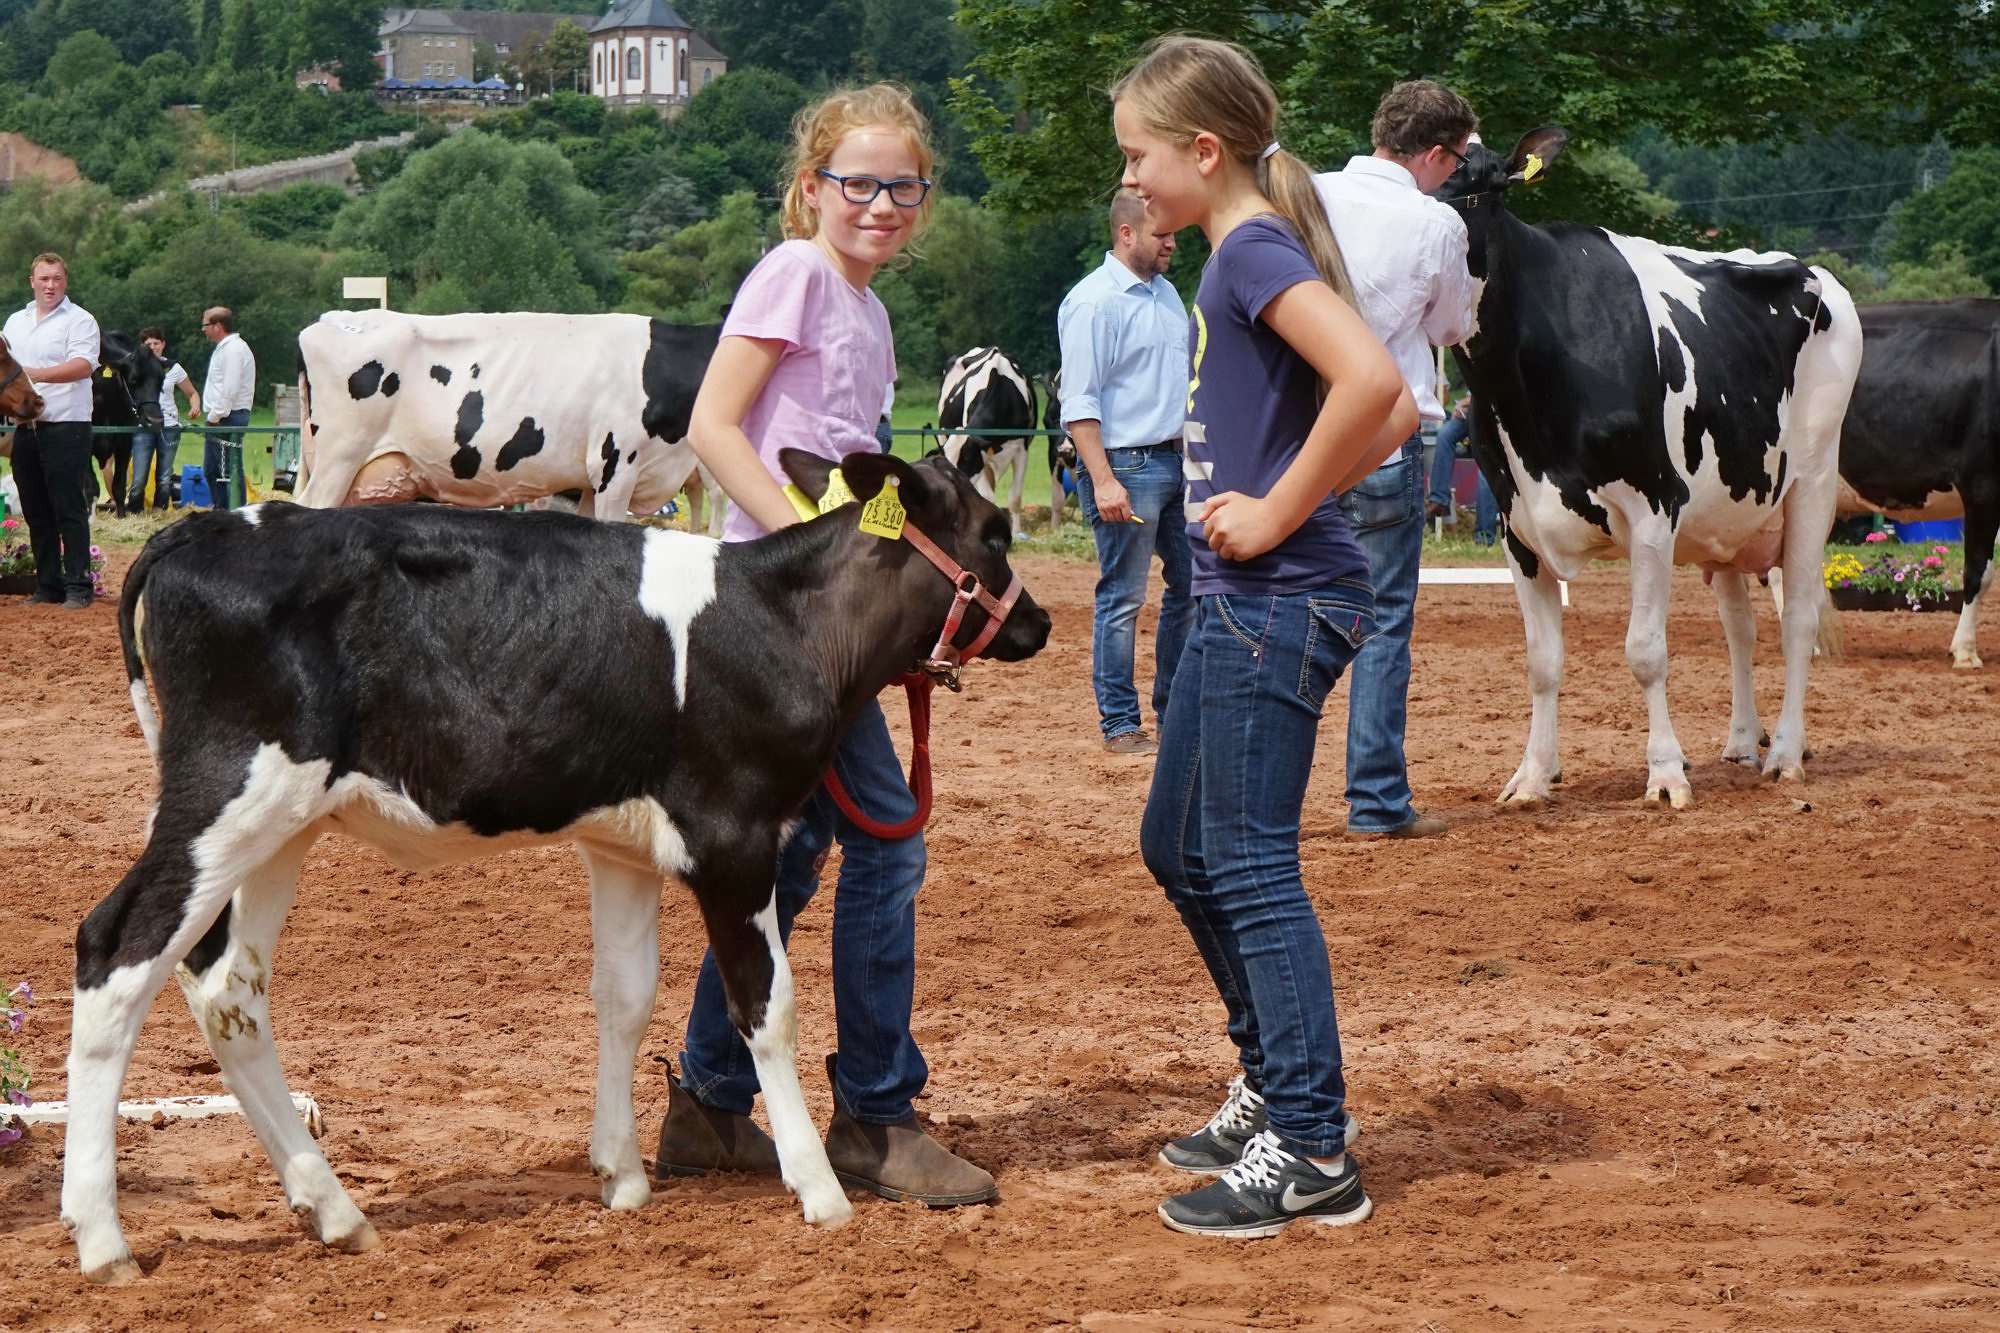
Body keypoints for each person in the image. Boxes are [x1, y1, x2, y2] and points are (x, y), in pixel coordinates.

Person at [661, 82, 997, 1207]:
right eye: (857, 183)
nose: (882, 204)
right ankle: (874, 1115)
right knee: (886, 847)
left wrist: (897, 588)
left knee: (797, 856)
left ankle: (708, 1103)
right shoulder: (796, 272)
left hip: (829, 615)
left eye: (903, 186)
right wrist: (816, 551)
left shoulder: (869, 308)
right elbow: (714, 424)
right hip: (779, 613)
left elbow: (858, 478)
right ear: (812, 188)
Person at [1115, 35, 1417, 1237]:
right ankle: (1270, 1084)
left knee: (1242, 863)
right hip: (1247, 600)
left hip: (1278, 599)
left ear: (1203, 150)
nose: (1130, 180)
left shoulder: (1247, 249)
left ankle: (1312, 1147)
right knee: (1175, 844)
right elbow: (1385, 409)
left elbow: (1373, 384)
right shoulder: (1231, 252)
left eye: (1139, 156)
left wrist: (1279, 508)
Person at [1313, 79, 1481, 839]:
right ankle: (1375, 802)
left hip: (1301, 435)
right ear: (1437, 154)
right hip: (1387, 432)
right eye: (1455, 161)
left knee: (1284, 613)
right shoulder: (1433, 220)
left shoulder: (1304, 196)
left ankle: (1264, 796)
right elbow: (1450, 327)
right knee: (1381, 624)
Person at [1056, 188, 1194, 755]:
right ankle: (1119, 722)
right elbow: (1079, 404)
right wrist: (1104, 478)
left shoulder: (1165, 296)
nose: (1172, 243)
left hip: (1177, 460)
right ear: (1127, 233)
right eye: (1162, 234)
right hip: (1127, 465)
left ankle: (1173, 712)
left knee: (1192, 586)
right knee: (1123, 597)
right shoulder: (1093, 303)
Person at [3, 253, 100, 609]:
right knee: (35, 509)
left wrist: (31, 375)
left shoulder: (80, 320)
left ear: (65, 282)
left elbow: (83, 364)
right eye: (44, 279)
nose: (50, 285)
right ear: (32, 281)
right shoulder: (15, 322)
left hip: (66, 424)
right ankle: (48, 585)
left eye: (57, 279)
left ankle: (78, 586)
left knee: (68, 507)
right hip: (25, 428)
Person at [127, 327, 199, 512]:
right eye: (148, 344)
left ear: (163, 344)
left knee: (164, 476)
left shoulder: (173, 367)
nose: (152, 347)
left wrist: (195, 406)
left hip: (169, 425)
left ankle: (159, 512)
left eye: (156, 343)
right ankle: (135, 512)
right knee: (139, 476)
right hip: (144, 425)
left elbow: (191, 393)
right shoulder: (135, 366)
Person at [200, 306, 255, 510]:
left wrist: (215, 416)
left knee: (227, 471)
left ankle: (232, 513)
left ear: (218, 326)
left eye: (205, 325)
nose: (203, 329)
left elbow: (229, 388)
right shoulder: (227, 347)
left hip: (227, 416)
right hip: (224, 415)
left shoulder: (233, 349)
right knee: (214, 470)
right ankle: (223, 511)